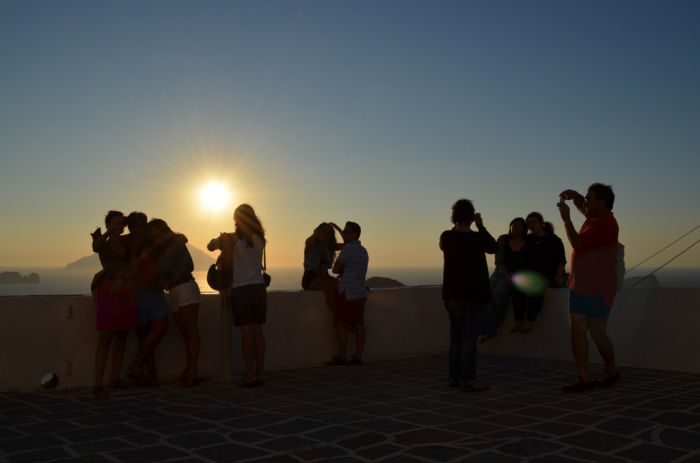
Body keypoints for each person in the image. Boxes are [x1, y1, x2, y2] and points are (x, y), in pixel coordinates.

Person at [558, 183, 620, 393]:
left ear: (601, 202)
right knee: (577, 329)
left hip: (598, 288)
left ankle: (611, 370)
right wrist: (575, 197)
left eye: (589, 198)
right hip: (578, 285)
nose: (586, 201)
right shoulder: (594, 218)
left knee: (597, 334)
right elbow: (584, 208)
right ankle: (583, 377)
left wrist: (566, 220)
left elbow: (578, 243)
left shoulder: (607, 224)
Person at [440, 199, 497, 392]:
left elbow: (448, 242)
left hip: (452, 296)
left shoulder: (446, 236)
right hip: (474, 295)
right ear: (472, 216)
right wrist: (480, 225)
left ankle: (454, 378)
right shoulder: (477, 238)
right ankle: (468, 380)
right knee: (469, 338)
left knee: (455, 337)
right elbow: (494, 247)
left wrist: (462, 222)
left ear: (454, 216)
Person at [208, 204, 268, 387]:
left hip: (241, 289)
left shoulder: (232, 238)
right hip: (258, 288)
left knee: (246, 334)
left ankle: (249, 375)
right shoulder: (261, 238)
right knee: (258, 332)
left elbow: (210, 246)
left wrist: (221, 239)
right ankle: (259, 373)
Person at [149, 219, 202, 387]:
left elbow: (189, 265)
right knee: (184, 332)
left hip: (185, 287)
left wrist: (170, 278)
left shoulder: (177, 244)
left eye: (158, 233)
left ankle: (192, 371)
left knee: (191, 331)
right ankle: (190, 369)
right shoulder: (162, 249)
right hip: (174, 291)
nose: (156, 237)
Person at [90, 210, 138, 398]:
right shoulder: (104, 242)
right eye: (116, 223)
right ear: (109, 224)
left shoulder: (127, 241)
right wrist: (109, 231)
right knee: (106, 336)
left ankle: (115, 378)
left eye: (122, 223)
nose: (120, 226)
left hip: (126, 290)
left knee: (122, 335)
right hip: (109, 290)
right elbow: (95, 246)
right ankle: (97, 384)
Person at [126, 213, 170, 387]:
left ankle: (136, 364)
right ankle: (151, 376)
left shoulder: (153, 242)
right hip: (139, 294)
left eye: (142, 223)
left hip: (154, 292)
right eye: (135, 224)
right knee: (144, 336)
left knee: (160, 328)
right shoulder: (128, 243)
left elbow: (180, 238)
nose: (139, 227)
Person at [514, 212, 566, 333]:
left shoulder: (553, 239)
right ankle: (518, 320)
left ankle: (530, 322)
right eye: (528, 223)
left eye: (534, 222)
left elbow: (561, 261)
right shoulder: (529, 240)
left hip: (548, 275)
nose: (531, 225)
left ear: (541, 222)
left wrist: (559, 275)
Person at [326, 221, 369, 367]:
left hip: (347, 293)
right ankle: (358, 357)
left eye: (348, 232)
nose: (345, 233)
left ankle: (342, 357)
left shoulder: (348, 250)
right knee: (359, 325)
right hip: (361, 292)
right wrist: (338, 228)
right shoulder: (364, 251)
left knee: (340, 324)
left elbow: (335, 270)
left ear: (356, 234)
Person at [488, 217, 527, 338]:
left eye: (519, 226)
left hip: (519, 276)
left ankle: (495, 324)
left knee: (500, 291)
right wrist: (506, 274)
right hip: (500, 273)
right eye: (513, 225)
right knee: (487, 292)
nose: (515, 228)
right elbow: (499, 261)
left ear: (524, 229)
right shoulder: (503, 239)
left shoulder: (528, 242)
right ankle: (487, 323)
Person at [301, 222, 342, 312]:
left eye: (328, 232)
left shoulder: (329, 246)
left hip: (324, 277)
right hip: (311, 278)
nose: (325, 233)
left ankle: (344, 316)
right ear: (318, 231)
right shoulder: (311, 243)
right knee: (330, 288)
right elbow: (312, 238)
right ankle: (338, 316)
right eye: (323, 230)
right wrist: (317, 231)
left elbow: (347, 244)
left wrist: (337, 228)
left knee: (343, 287)